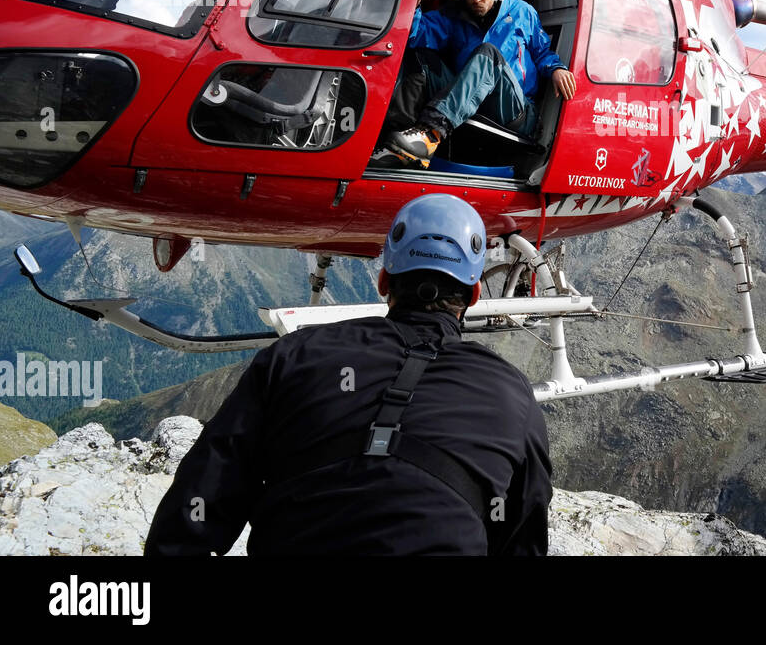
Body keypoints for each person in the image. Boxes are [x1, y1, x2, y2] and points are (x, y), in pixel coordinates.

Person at [144, 194, 552, 555]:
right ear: (474, 294)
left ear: (383, 280)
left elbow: (203, 493)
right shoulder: (512, 395)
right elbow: (523, 533)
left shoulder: (295, 355)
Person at [383, 0, 577, 167]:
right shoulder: (454, 15)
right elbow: (416, 36)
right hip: (467, 103)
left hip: (514, 109)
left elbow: (542, 52)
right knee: (422, 57)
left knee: (488, 53)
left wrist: (556, 69)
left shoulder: (522, 12)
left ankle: (430, 135)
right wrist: (413, 8)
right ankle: (400, 141)